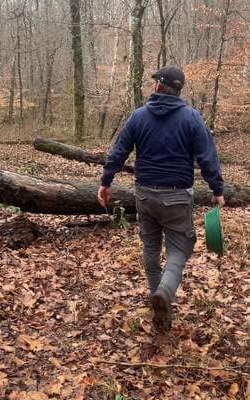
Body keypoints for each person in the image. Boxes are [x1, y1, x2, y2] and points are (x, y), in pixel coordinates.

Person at [97, 65, 225, 332]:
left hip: (144, 195)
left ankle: (160, 308)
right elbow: (207, 157)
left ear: (158, 86)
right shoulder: (191, 118)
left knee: (151, 248)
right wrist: (217, 190)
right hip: (177, 197)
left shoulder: (138, 116)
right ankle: (165, 292)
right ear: (178, 90)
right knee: (180, 248)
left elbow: (119, 151)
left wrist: (106, 182)